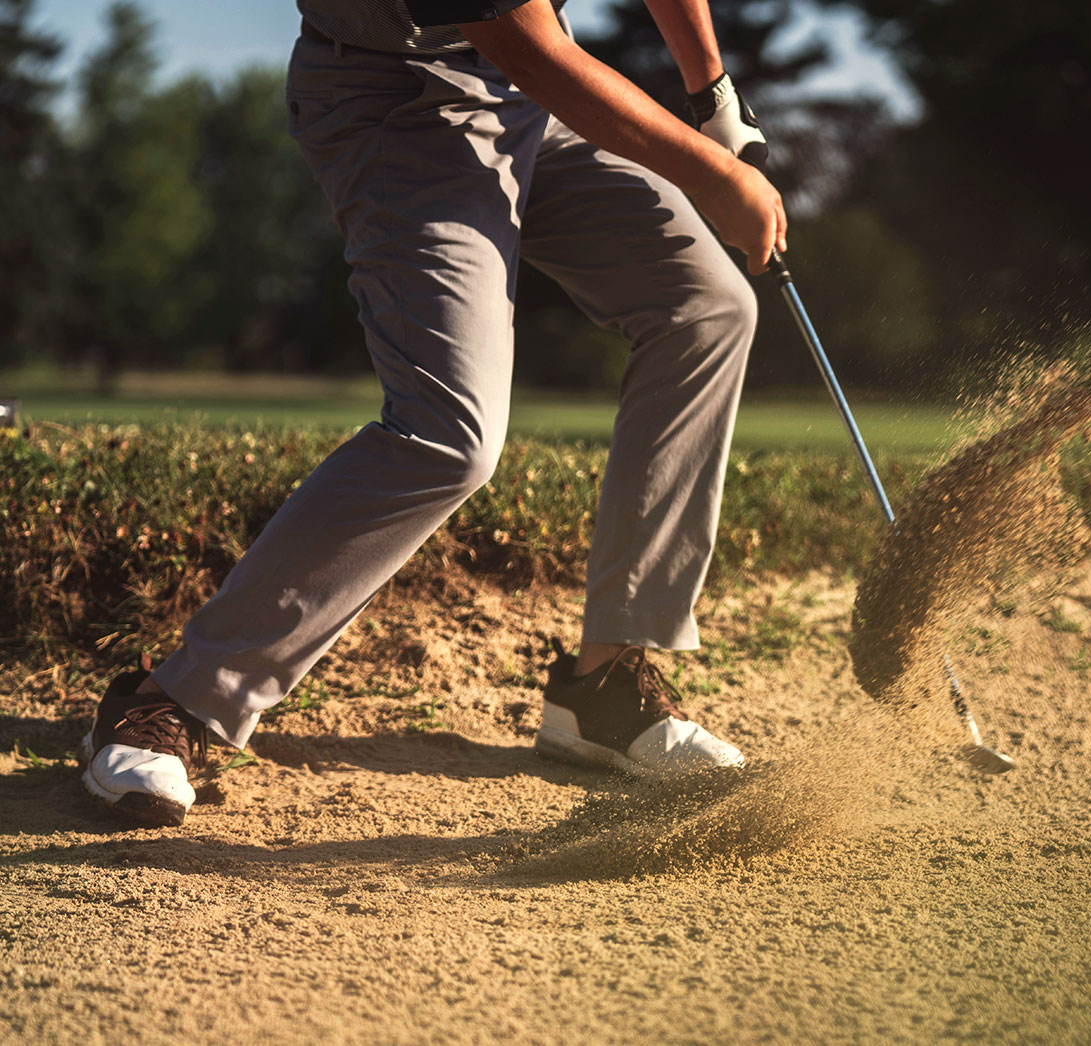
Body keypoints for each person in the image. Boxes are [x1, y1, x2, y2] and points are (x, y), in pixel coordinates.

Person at [79, 0, 787, 827]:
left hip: (527, 96)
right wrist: (716, 172)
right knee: (447, 433)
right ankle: (176, 700)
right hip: (399, 99)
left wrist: (716, 98)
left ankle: (606, 689)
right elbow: (529, 48)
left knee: (707, 309)